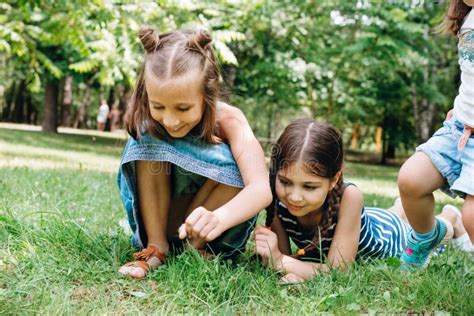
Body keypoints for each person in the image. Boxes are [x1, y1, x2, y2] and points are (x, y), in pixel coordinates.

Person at [117, 27, 272, 278]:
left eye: (183, 108)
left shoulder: (231, 121)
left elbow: (261, 188)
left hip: (213, 230)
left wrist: (220, 217)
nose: (170, 119)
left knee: (236, 164)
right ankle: (156, 248)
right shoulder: (150, 120)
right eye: (158, 106)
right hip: (164, 218)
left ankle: (194, 251)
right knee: (146, 136)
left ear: (207, 95)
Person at [255, 119, 467, 284]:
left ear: (334, 180)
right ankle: (399, 208)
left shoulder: (349, 196)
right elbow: (286, 260)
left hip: (388, 235)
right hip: (364, 223)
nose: (294, 196)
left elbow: (337, 273)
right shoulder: (276, 199)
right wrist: (276, 257)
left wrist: (281, 262)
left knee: (420, 235)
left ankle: (451, 218)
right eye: (285, 182)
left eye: (309, 186)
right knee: (390, 214)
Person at [397, 0, 474, 270]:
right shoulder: (468, 17)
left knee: (472, 216)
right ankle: (427, 236)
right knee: (411, 179)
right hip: (459, 128)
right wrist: (458, 107)